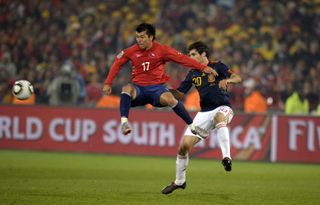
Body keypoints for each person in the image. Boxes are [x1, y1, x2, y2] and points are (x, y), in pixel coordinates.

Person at [103, 23, 218, 138]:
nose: (139, 40)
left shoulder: (162, 50)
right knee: (126, 88)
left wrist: (203, 67)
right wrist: (108, 83)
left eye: (142, 37)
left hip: (156, 90)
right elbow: (117, 64)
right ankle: (124, 123)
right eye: (137, 37)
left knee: (170, 99)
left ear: (151, 37)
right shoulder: (131, 51)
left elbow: (183, 59)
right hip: (139, 90)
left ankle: (193, 127)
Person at [161, 41, 242, 194]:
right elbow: (179, 94)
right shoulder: (193, 73)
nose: (190, 57)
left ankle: (227, 157)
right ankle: (180, 181)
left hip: (223, 107)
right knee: (183, 147)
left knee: (219, 117)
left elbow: (238, 78)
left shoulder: (218, 66)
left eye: (193, 54)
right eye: (189, 55)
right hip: (204, 113)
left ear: (203, 54)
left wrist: (228, 80)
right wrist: (162, 91)